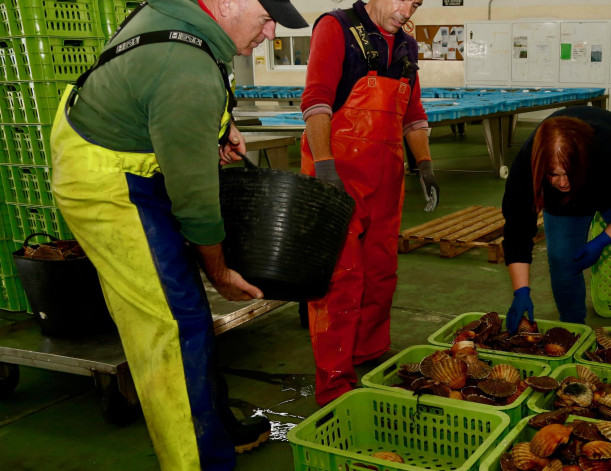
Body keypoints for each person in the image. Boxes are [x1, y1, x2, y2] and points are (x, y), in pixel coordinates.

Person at [49, 0, 308, 469]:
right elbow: (195, 200)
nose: (270, 34)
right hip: (108, 182)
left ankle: (214, 425)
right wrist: (221, 270)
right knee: (171, 326)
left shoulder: (185, 16)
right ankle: (197, 459)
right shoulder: (186, 69)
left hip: (131, 153)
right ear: (228, 2)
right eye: (267, 19)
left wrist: (217, 125)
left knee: (187, 308)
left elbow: (152, 84)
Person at [299, 0, 438, 406]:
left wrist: (425, 164)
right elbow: (317, 102)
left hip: (386, 179)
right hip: (337, 175)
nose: (407, 9)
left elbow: (413, 114)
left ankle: (371, 353)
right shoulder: (336, 28)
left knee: (381, 272)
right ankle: (334, 381)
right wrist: (325, 167)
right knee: (339, 281)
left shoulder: (407, 47)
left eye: (415, 3)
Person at [501, 106, 611, 335]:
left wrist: (602, 240)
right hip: (564, 203)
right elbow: (517, 228)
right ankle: (572, 331)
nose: (563, 182)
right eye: (553, 175)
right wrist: (521, 291)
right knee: (563, 261)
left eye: (568, 173)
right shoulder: (527, 164)